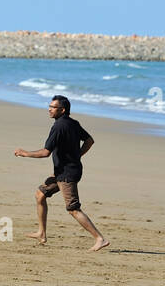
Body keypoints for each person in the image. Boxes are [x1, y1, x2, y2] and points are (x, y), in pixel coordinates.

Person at [14, 95, 108, 250]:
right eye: (49, 106)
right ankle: (41, 233)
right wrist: (77, 155)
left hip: (67, 174)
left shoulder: (58, 126)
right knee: (40, 194)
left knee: (73, 209)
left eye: (53, 107)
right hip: (63, 171)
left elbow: (45, 152)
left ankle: (100, 239)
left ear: (62, 110)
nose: (49, 109)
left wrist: (25, 153)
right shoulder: (73, 123)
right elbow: (89, 140)